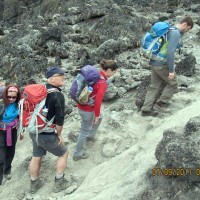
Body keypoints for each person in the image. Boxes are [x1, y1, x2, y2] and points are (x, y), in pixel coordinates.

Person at [141, 16, 193, 116]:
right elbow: (170, 52)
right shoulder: (175, 33)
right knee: (173, 84)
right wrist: (171, 70)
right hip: (162, 64)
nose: (187, 32)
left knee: (154, 86)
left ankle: (146, 109)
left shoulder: (169, 30)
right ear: (185, 24)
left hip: (154, 61)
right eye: (188, 29)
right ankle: (159, 105)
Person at [29, 66, 68, 193]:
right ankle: (59, 182)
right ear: (51, 79)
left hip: (33, 129)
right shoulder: (57, 95)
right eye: (60, 75)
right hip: (45, 133)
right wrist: (59, 134)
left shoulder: (41, 89)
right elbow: (60, 118)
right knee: (63, 153)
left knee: (36, 156)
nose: (64, 77)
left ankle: (34, 184)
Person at [73, 59, 118, 161]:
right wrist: (96, 115)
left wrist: (98, 115)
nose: (114, 74)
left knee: (100, 117)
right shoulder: (102, 82)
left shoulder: (95, 74)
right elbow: (98, 101)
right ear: (109, 70)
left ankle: (90, 136)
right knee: (84, 130)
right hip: (87, 109)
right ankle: (77, 154)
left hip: (82, 105)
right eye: (114, 72)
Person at [0, 85, 21, 185]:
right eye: (9, 97)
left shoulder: (19, 104)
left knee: (11, 151)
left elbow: (21, 116)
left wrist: (20, 129)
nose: (11, 99)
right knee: (1, 154)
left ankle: (7, 171)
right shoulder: (1, 104)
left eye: (14, 97)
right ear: (5, 95)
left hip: (13, 130)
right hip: (1, 131)